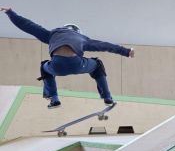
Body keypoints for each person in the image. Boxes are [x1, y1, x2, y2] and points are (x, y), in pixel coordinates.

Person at [1, 7, 135, 108]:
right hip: (77, 64)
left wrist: (10, 12)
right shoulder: (82, 38)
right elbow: (105, 45)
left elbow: (28, 26)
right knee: (97, 64)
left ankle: (54, 99)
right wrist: (126, 51)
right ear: (77, 32)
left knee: (44, 66)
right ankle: (107, 97)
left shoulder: (51, 34)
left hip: (56, 66)